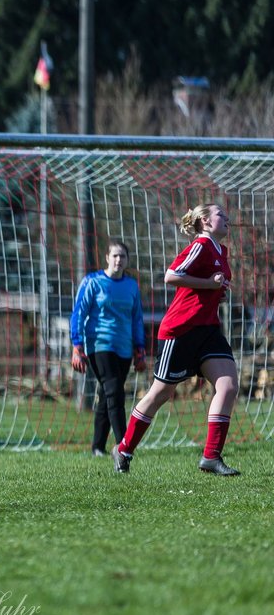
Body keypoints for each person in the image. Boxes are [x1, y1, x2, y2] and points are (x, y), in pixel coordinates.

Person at [113, 203, 240, 476]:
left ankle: (211, 457)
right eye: (220, 214)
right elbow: (172, 276)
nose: (227, 218)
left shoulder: (221, 251)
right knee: (162, 393)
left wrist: (218, 291)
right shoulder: (201, 245)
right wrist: (210, 284)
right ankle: (124, 447)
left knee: (228, 385)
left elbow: (210, 285)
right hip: (180, 331)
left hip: (207, 330)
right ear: (205, 222)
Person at [69, 241, 146, 456]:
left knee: (107, 394)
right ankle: (123, 446)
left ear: (127, 260)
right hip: (99, 345)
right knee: (115, 391)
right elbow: (78, 314)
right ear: (107, 257)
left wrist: (140, 349)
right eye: (115, 255)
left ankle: (97, 446)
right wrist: (77, 346)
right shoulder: (92, 282)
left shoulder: (131, 286)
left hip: (124, 349)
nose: (118, 260)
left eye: (122, 256)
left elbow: (137, 318)